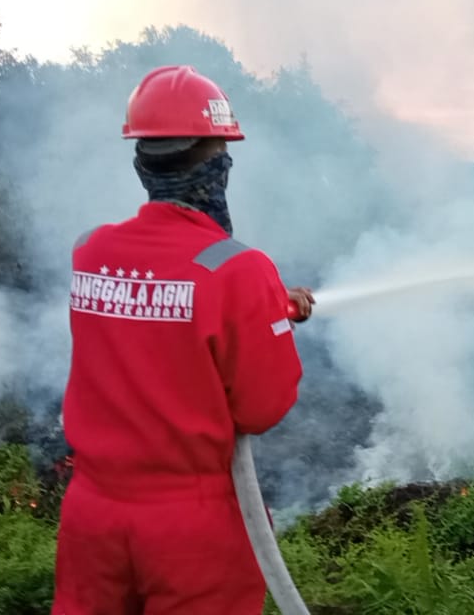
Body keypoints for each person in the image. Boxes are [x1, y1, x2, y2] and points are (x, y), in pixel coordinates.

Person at [52, 65, 316, 614]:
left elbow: (156, 314)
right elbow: (262, 407)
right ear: (216, 161)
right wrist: (264, 309)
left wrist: (267, 306)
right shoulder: (239, 268)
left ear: (143, 161)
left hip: (90, 516)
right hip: (190, 526)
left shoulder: (90, 252)